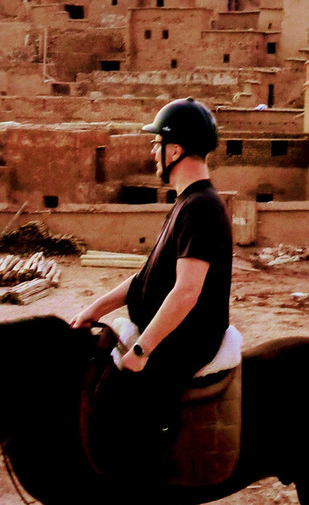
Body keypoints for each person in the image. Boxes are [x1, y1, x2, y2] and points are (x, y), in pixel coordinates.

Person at [71, 97, 232, 388]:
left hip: (185, 344)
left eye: (158, 143)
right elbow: (146, 277)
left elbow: (186, 291)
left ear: (175, 150)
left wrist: (142, 349)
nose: (153, 151)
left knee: (116, 403)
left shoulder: (201, 207)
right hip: (171, 335)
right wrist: (93, 311)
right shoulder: (187, 203)